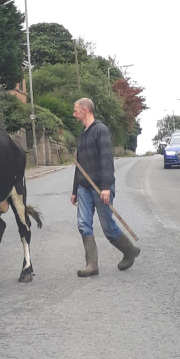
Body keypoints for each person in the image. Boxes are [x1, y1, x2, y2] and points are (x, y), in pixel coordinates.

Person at [70, 98, 140, 277]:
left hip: (100, 187)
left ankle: (130, 251)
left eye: (76, 110)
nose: (74, 113)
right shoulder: (83, 133)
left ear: (85, 110)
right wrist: (74, 190)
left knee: (108, 228)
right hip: (84, 188)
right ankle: (91, 265)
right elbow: (79, 165)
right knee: (83, 224)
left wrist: (106, 187)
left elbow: (106, 161)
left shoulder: (100, 131)